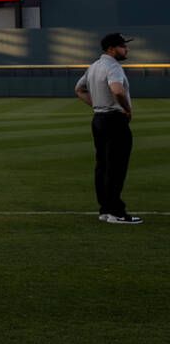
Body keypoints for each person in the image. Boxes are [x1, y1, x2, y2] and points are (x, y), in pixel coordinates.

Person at [75, 33, 142, 225]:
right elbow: (117, 90)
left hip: (99, 119)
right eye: (122, 46)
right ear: (111, 48)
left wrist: (96, 105)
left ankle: (105, 209)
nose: (126, 49)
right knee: (116, 166)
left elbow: (78, 90)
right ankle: (116, 212)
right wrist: (126, 110)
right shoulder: (113, 66)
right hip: (114, 120)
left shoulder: (94, 66)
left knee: (103, 165)